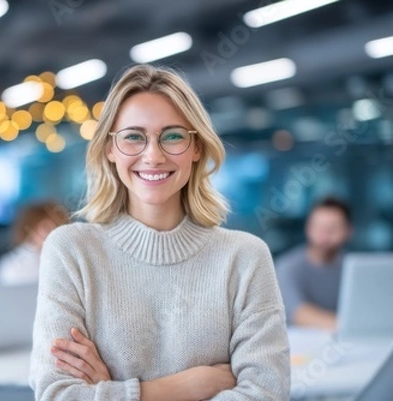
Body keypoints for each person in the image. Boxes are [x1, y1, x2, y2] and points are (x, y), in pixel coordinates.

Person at [29, 65, 290, 401]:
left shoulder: (245, 257)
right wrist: (183, 388)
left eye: (173, 136)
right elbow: (57, 395)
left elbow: (266, 394)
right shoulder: (71, 251)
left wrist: (110, 391)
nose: (153, 156)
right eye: (134, 137)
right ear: (110, 149)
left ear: (196, 148)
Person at [276, 197, 352, 331]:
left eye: (332, 228)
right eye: (319, 227)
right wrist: (350, 326)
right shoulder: (287, 266)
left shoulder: (352, 266)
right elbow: (298, 314)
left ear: (348, 231)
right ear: (308, 228)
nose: (325, 235)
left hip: (346, 342)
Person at [0, 201, 69, 285]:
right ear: (31, 229)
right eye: (46, 227)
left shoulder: (66, 260)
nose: (53, 232)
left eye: (57, 226)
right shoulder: (11, 264)